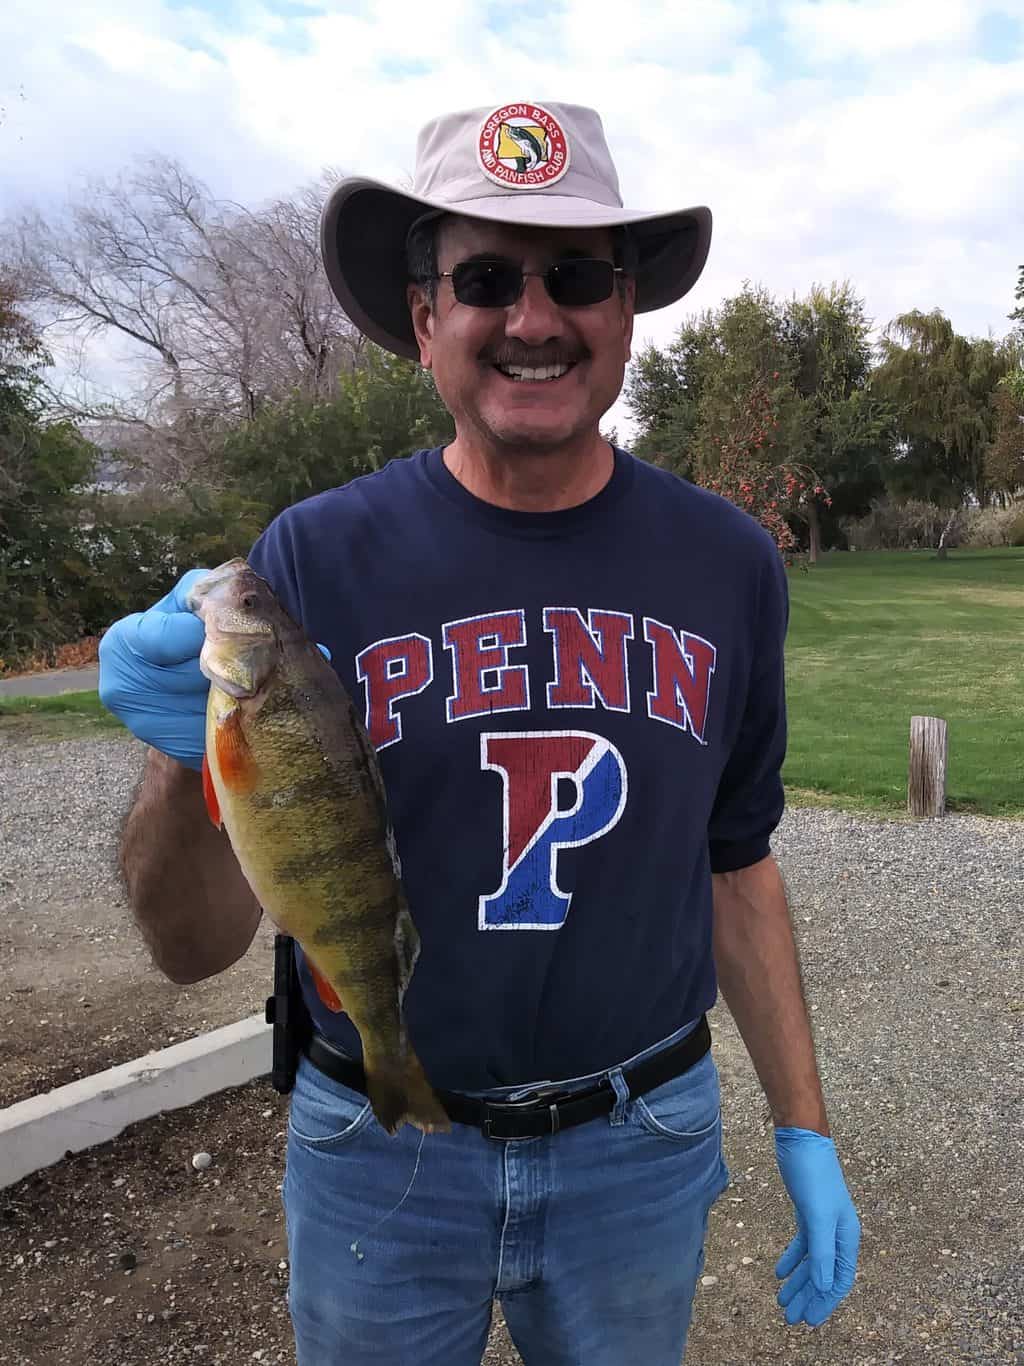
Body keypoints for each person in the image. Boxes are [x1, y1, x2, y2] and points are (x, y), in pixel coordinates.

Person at [99, 101, 860, 1365]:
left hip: (641, 1140)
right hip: (371, 1150)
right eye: (485, 277)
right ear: (423, 319)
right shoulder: (311, 556)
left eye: (575, 275)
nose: (532, 317)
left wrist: (804, 1127)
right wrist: (189, 763)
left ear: (624, 311)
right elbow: (193, 952)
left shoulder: (728, 562)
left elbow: (736, 860)